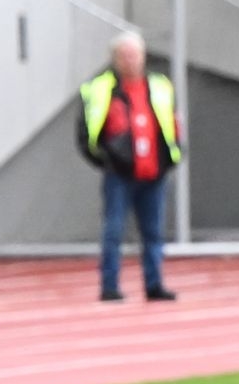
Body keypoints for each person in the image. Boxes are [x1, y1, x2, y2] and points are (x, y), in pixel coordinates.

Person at [78, 31, 182, 303]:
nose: (130, 60)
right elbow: (86, 132)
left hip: (154, 171)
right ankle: (109, 285)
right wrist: (106, 160)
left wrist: (173, 155)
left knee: (154, 232)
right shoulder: (100, 88)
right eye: (124, 56)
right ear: (115, 59)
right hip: (120, 175)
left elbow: (172, 123)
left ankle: (154, 284)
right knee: (113, 230)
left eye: (134, 55)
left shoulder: (159, 86)